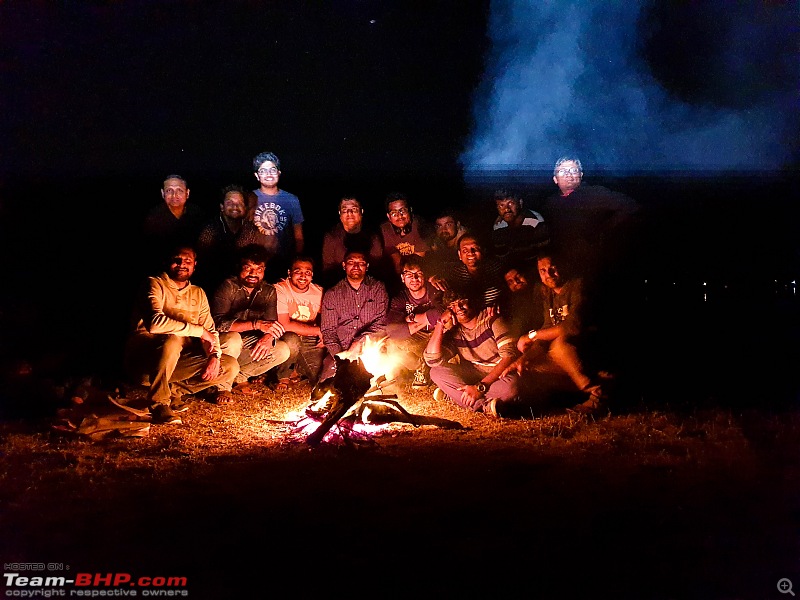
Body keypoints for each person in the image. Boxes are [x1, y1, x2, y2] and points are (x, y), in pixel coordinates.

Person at [124, 245, 240, 424]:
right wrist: (199, 331)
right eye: (176, 260)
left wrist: (214, 355)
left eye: (187, 261)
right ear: (167, 261)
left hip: (178, 363)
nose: (181, 265)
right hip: (146, 363)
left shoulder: (198, 293)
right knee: (172, 340)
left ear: (195, 265)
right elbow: (155, 324)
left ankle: (174, 390)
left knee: (230, 366)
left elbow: (210, 330)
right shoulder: (154, 284)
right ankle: (159, 404)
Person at [503, 251, 608, 416]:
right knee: (530, 365)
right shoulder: (548, 294)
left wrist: (532, 335)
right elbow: (547, 328)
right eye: (543, 271)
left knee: (559, 346)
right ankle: (565, 399)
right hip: (568, 358)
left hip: (589, 349)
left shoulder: (577, 286)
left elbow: (572, 327)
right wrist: (524, 359)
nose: (549, 274)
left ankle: (600, 394)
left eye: (552, 268)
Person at [540, 155, 640, 282]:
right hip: (564, 270)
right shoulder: (550, 203)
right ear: (555, 179)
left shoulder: (594, 194)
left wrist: (605, 229)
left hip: (597, 269)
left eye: (573, 170)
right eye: (562, 171)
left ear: (581, 175)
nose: (568, 174)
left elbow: (630, 206)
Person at [423, 289, 520, 418]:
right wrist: (440, 324)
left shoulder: (491, 319)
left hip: (498, 376)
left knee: (511, 387)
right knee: (436, 372)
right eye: (453, 306)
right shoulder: (455, 332)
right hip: (473, 375)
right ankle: (482, 405)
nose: (459, 308)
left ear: (472, 302)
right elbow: (432, 360)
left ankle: (455, 396)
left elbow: (509, 355)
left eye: (462, 302)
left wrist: (480, 388)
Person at [211, 244, 291, 393]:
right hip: (224, 343)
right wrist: (255, 324)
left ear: (264, 270)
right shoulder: (228, 287)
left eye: (259, 269)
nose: (253, 274)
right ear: (239, 267)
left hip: (247, 344)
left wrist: (268, 336)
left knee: (282, 349)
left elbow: (271, 324)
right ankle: (222, 387)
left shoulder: (268, 291)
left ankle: (240, 376)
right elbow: (218, 324)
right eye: (248, 268)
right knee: (233, 339)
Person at [319, 249, 388, 381]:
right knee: (328, 385)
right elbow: (328, 331)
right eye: (351, 262)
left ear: (367, 266)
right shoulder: (332, 294)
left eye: (361, 263)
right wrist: (341, 357)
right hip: (342, 350)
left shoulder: (378, 288)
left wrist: (357, 343)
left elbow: (380, 324)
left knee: (380, 380)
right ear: (344, 265)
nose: (356, 266)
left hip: (371, 347)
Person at [240, 151, 305, 280]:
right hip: (253, 263)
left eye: (272, 170)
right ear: (257, 176)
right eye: (263, 171)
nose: (268, 174)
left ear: (279, 173)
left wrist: (297, 260)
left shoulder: (291, 199)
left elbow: (298, 236)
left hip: (281, 261)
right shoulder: (248, 198)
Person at [386, 254, 445, 388]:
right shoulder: (399, 298)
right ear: (402, 278)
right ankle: (420, 365)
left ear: (424, 275)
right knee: (392, 343)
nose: (414, 278)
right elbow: (392, 329)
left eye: (418, 273)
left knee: (449, 323)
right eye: (409, 274)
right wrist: (427, 319)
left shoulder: (434, 290)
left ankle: (438, 367)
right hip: (418, 336)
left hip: (440, 334)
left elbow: (442, 314)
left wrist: (411, 318)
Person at [273, 255, 326, 387]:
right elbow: (284, 324)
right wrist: (318, 330)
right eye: (298, 272)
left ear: (312, 275)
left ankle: (297, 369)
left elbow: (323, 320)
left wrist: (325, 332)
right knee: (291, 340)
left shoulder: (319, 292)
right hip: (284, 336)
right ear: (289, 273)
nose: (303, 276)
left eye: (307, 273)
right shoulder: (280, 289)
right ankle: (283, 376)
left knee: (317, 376)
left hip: (309, 338)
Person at [141, 174, 208, 276]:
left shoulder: (198, 214)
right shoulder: (153, 218)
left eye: (179, 191)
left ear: (187, 193)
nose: (174, 195)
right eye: (169, 190)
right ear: (163, 193)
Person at [320, 195, 384, 288]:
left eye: (354, 209)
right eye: (345, 210)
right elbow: (328, 270)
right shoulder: (331, 237)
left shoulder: (373, 235)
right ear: (339, 213)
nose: (349, 213)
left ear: (361, 212)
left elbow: (378, 267)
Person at [430, 233, 506, 310]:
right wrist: (433, 279)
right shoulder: (453, 273)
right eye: (465, 250)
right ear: (460, 255)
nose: (470, 253)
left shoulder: (498, 268)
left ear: (483, 250)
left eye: (475, 248)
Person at [195, 183, 249, 290]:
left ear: (245, 208)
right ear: (222, 207)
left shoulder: (250, 229)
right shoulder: (210, 229)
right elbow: (203, 263)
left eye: (240, 203)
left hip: (242, 282)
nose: (235, 207)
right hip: (213, 282)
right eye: (230, 203)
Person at [379, 191, 432, 286]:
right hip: (402, 274)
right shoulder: (385, 229)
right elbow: (396, 261)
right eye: (394, 213)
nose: (399, 216)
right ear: (388, 216)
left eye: (402, 211)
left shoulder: (420, 225)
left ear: (410, 210)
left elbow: (417, 263)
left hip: (421, 272)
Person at [490, 188, 550, 272]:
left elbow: (544, 255)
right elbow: (501, 256)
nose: (507, 209)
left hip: (536, 269)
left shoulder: (535, 221)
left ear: (520, 203)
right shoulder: (499, 226)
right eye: (501, 205)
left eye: (510, 204)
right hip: (514, 270)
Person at [502, 263, 544, 340]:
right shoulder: (512, 304)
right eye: (510, 282)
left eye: (518, 276)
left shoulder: (541, 290)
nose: (516, 282)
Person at [425, 207, 468, 281]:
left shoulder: (467, 240)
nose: (443, 230)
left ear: (457, 225)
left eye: (448, 225)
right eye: (439, 226)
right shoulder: (435, 241)